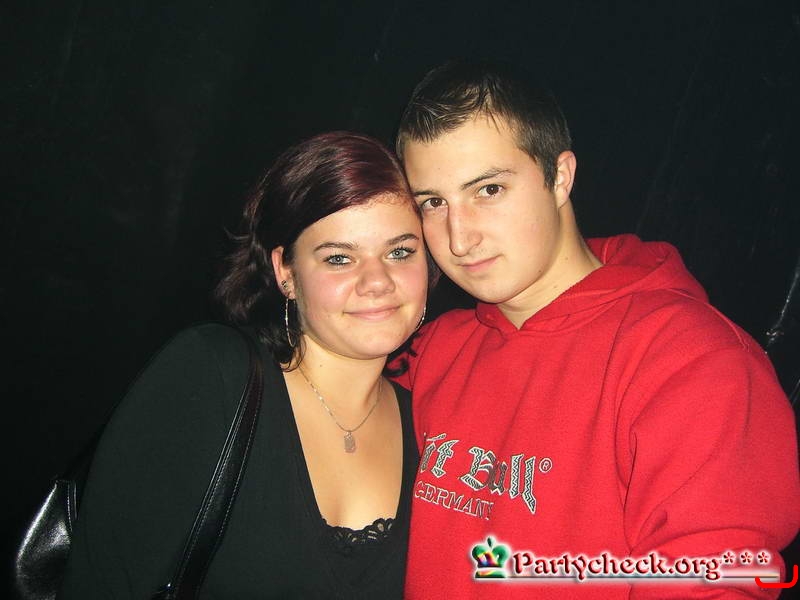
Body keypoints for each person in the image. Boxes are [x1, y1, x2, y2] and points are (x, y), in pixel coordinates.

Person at [392, 59, 800, 599]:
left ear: (560, 176)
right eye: (433, 203)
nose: (458, 238)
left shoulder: (695, 360)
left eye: (488, 190)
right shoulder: (435, 348)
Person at [59, 131, 429, 598]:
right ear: (285, 272)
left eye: (400, 252)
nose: (377, 281)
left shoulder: (431, 423)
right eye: (339, 258)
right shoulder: (210, 378)